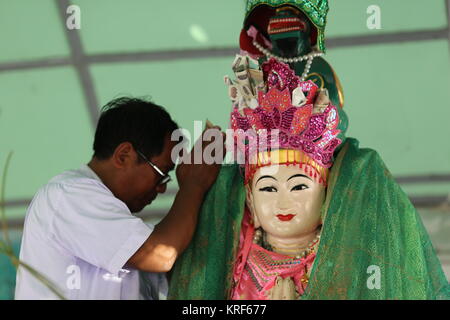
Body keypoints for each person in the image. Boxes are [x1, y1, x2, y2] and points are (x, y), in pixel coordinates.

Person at [15, 97, 224, 300]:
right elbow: (162, 254)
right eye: (161, 173)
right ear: (124, 155)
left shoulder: (125, 230)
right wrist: (193, 184)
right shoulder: (67, 195)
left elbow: (178, 268)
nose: (161, 188)